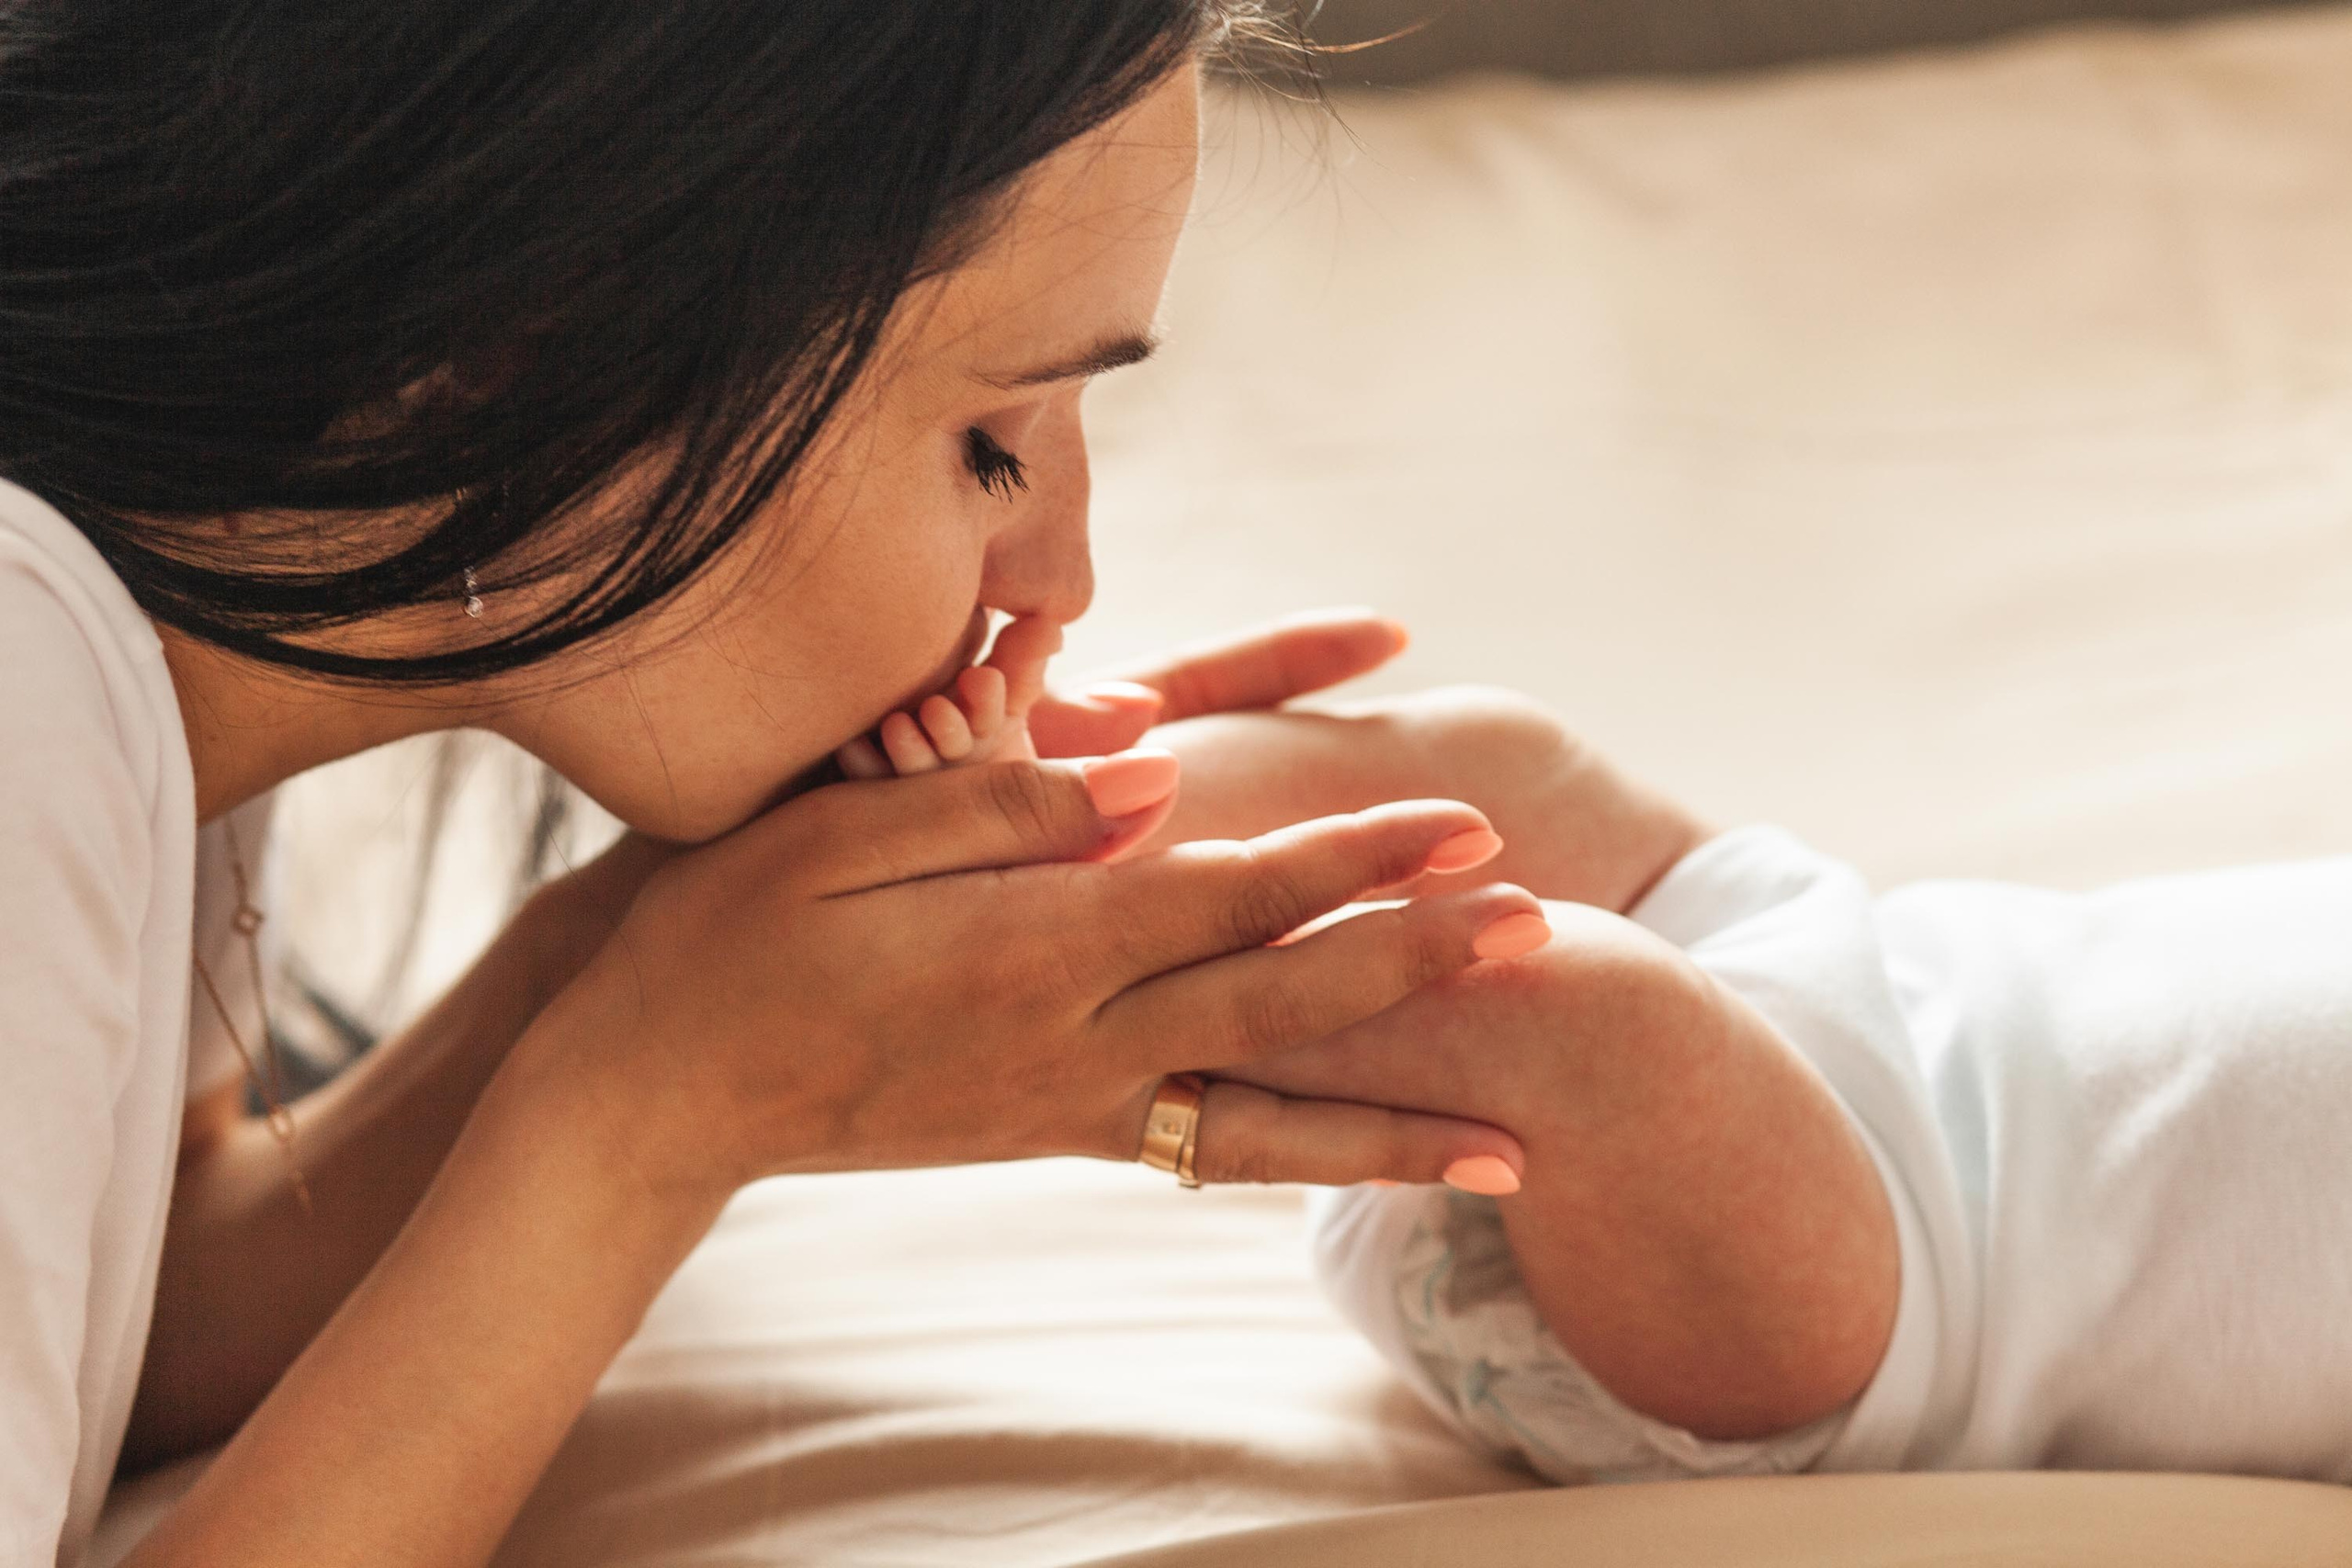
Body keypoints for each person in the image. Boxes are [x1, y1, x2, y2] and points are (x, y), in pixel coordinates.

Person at [0, 7, 1561, 1563]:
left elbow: (126, 1318)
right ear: (516, 341)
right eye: (992, 446)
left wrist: (639, 969)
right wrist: (649, 1126)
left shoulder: (155, 617)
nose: (1060, 585)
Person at [1040, 691, 2352, 1488]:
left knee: (1574, 1011)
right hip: (1854, 974)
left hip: (1873, 1297)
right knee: (1492, 768)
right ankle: (1012, 823)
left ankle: (992, 995)